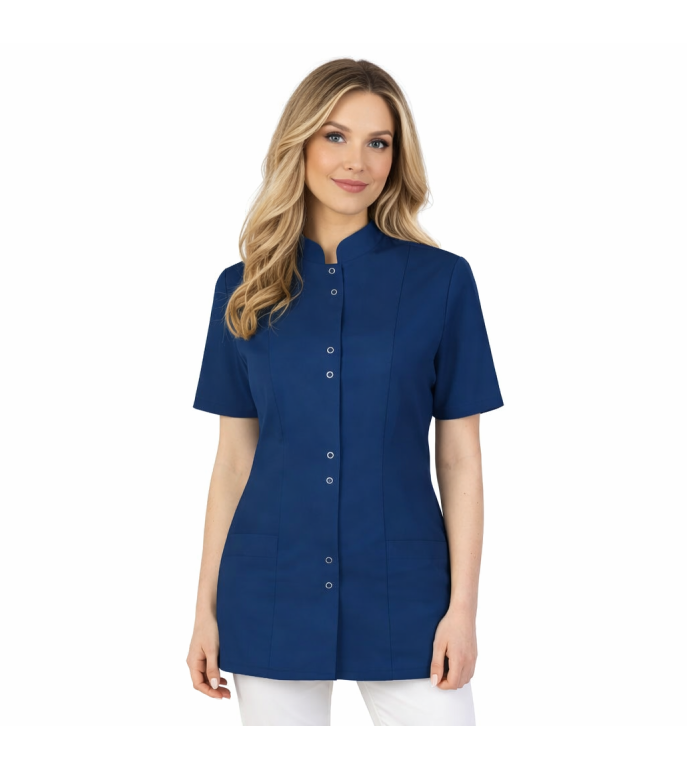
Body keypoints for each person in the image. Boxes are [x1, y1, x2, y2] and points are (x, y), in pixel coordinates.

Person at [187, 58, 503, 726]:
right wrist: (204, 610)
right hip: (269, 589)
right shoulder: (240, 290)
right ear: (298, 143)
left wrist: (463, 610)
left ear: (396, 157)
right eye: (335, 136)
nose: (356, 160)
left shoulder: (443, 283)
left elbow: (459, 459)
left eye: (377, 142)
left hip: (408, 593)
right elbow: (234, 462)